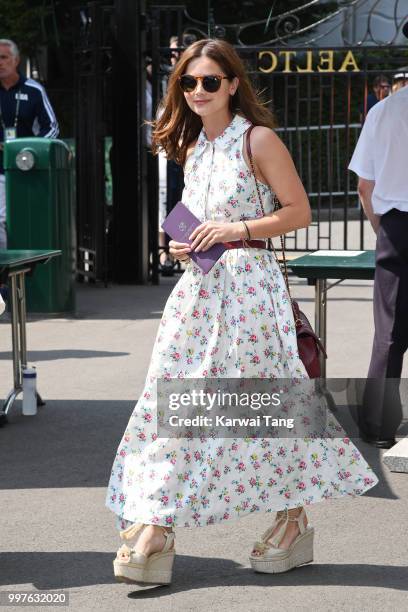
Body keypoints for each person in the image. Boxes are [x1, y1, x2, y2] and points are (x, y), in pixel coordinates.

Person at [106, 38, 378, 587]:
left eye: (210, 81)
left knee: (259, 407)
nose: (199, 91)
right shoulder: (192, 146)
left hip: (250, 294)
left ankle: (291, 519)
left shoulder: (259, 139)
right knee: (176, 403)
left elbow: (298, 210)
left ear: (232, 84)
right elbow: (192, 219)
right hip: (199, 290)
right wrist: (181, 242)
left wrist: (238, 230)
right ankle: (158, 522)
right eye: (189, 82)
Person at [349, 82, 408, 449]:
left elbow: (364, 186)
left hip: (397, 227)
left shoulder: (383, 111)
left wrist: (381, 228)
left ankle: (379, 425)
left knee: (389, 331)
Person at [0, 39, 59, 250]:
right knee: (0, 221)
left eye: (4, 58)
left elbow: (52, 127)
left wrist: (31, 149)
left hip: (26, 170)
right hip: (0, 170)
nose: (0, 63)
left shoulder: (34, 90)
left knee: (22, 222)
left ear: (16, 60)